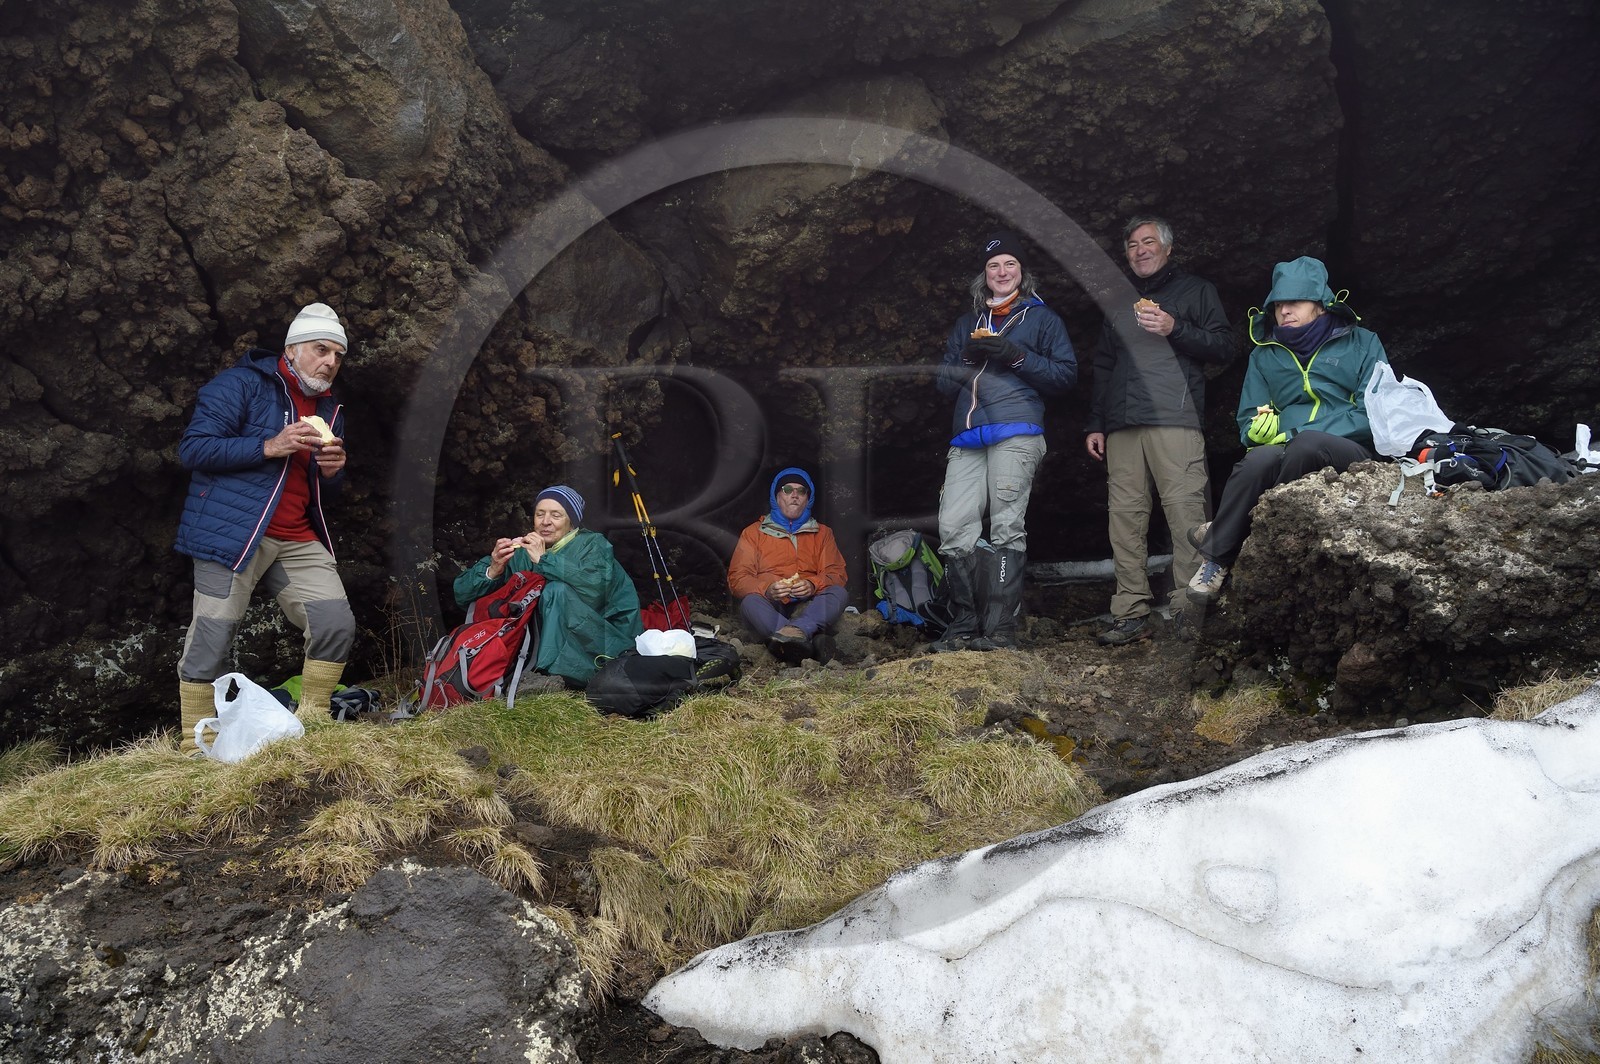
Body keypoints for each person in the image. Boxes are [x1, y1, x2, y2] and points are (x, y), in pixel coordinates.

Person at [174, 303, 356, 751]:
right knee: (214, 632)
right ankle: (195, 740)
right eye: (320, 349)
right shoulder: (240, 384)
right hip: (231, 534)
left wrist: (332, 473)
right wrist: (269, 445)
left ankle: (314, 719)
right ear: (291, 350)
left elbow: (318, 487)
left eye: (337, 354)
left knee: (335, 622)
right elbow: (193, 449)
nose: (330, 361)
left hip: (296, 535)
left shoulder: (329, 408)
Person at [1187, 256, 1389, 600]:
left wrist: (1293, 433)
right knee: (1257, 460)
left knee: (1306, 444)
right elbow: (1248, 418)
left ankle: (1234, 527)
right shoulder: (1264, 354)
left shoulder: (1363, 343)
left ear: (1321, 306)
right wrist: (1255, 432)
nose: (1284, 310)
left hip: (1350, 449)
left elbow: (1375, 413)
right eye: (1278, 304)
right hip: (1286, 448)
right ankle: (1215, 562)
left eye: (1295, 301)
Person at [1084, 216, 1236, 645]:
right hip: (1122, 424)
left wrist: (1175, 328)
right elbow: (1104, 366)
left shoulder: (1196, 290)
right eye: (1132, 245)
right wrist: (1097, 423)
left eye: (1148, 242)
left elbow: (1225, 346)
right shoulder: (1119, 302)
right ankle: (1130, 611)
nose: (1140, 250)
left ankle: (1190, 609)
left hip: (1175, 417)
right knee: (1125, 518)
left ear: (1168, 249)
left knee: (1185, 514)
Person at [932, 230, 1077, 651]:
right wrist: (968, 355)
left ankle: (999, 630)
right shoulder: (967, 324)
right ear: (984, 275)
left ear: (1022, 272)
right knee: (953, 526)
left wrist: (1014, 355)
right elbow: (942, 384)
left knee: (1006, 526)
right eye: (993, 265)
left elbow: (1065, 376)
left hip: (1016, 429)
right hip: (968, 436)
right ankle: (965, 624)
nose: (1001, 271)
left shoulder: (1042, 319)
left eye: (1009, 264)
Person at [453, 485, 642, 688]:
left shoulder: (594, 544)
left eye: (556, 515)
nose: (545, 522)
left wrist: (544, 560)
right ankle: (523, 670)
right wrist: (493, 569)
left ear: (572, 522)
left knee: (555, 591)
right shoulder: (524, 551)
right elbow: (462, 595)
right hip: (544, 645)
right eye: (540, 514)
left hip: (606, 642)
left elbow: (594, 588)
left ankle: (550, 676)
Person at [727, 468, 849, 658]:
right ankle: (809, 640)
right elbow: (738, 579)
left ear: (808, 499)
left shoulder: (823, 533)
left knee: (839, 593)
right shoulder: (753, 533)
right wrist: (767, 589)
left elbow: (836, 573)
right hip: (770, 603)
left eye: (801, 491)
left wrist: (812, 584)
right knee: (750, 602)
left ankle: (789, 636)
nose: (794, 495)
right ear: (776, 497)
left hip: (810, 603)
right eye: (787, 489)